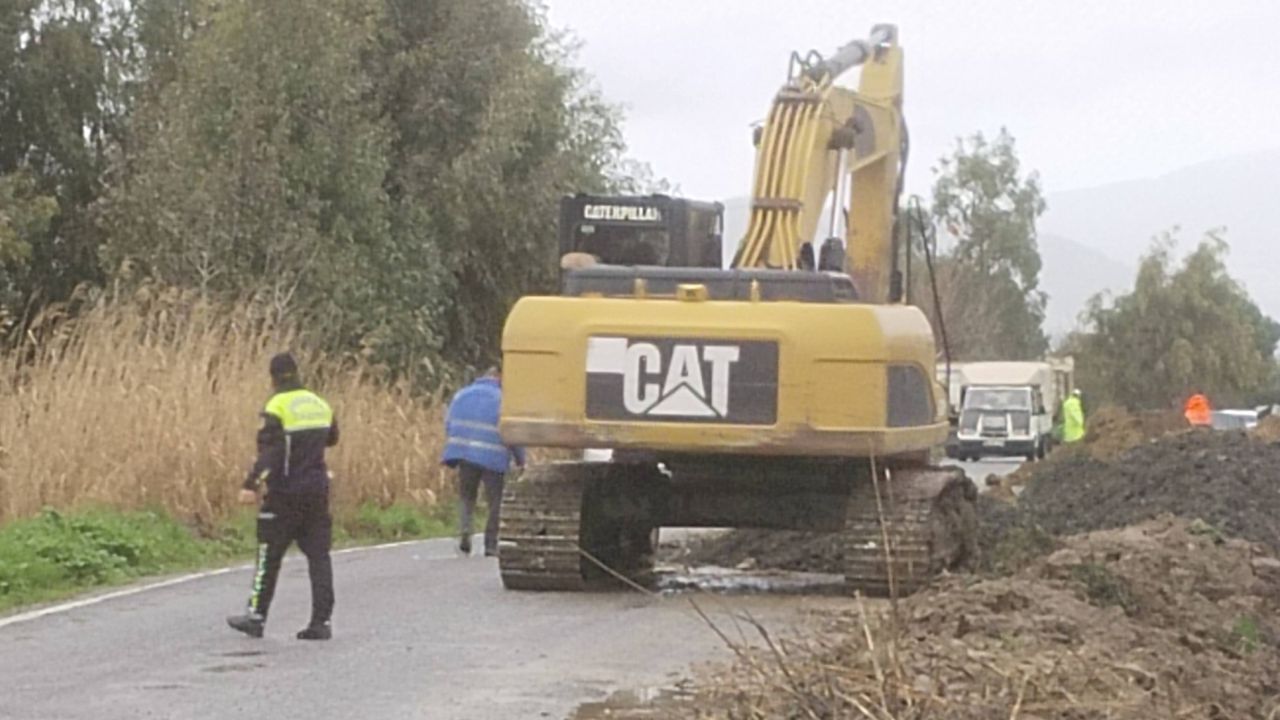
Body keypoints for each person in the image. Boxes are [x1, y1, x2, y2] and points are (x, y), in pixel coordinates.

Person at [227, 353, 339, 641]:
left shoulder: (276, 405)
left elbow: (272, 453)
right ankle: (321, 622)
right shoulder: (319, 403)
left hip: (285, 493)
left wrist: (251, 484)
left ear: (273, 377)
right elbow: (332, 438)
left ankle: (256, 616)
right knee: (319, 556)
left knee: (269, 555)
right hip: (317, 490)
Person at [442, 367, 525, 557]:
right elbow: (513, 431)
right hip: (493, 456)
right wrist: (521, 460)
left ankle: (464, 534)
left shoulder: (461, 395)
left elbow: (449, 424)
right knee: (495, 501)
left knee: (466, 496)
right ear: (499, 378)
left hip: (464, 454)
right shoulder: (503, 399)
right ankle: (490, 544)